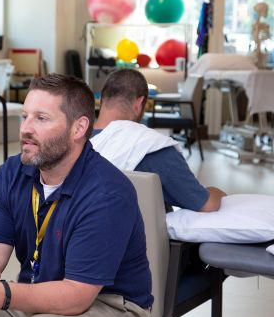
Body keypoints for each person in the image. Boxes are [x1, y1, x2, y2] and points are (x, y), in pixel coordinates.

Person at [0, 73, 153, 317]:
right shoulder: (12, 174)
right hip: (38, 292)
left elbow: (77, 295)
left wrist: (4, 293)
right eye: (25, 117)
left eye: (41, 119)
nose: (26, 129)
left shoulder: (106, 193)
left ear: (78, 127)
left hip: (111, 304)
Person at [91, 68, 226, 212]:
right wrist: (217, 193)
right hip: (146, 234)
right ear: (139, 104)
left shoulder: (75, 145)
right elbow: (206, 205)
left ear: (101, 99)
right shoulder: (152, 148)